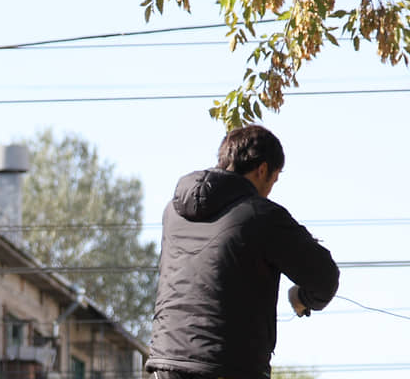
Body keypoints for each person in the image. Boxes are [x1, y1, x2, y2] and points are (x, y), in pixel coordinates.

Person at [145, 125, 340, 379]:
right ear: (262, 170)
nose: (271, 189)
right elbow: (325, 278)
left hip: (164, 366)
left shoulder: (173, 212)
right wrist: (302, 297)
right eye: (274, 179)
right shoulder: (261, 214)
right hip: (228, 368)